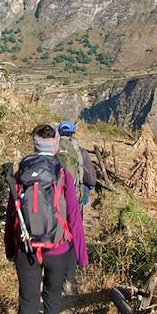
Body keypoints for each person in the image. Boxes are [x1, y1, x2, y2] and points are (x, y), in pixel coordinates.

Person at [4, 123, 88, 314]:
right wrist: (81, 257)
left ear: (35, 145)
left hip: (26, 248)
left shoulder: (20, 174)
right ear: (56, 146)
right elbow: (74, 220)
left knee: (28, 303)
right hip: (57, 250)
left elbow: (11, 215)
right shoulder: (63, 175)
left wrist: (10, 249)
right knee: (52, 302)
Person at [57, 120, 96, 295]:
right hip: (74, 201)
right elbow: (91, 180)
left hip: (55, 200)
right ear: (73, 134)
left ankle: (53, 274)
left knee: (56, 234)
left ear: (59, 133)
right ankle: (68, 278)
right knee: (73, 236)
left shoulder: (53, 150)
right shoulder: (82, 152)